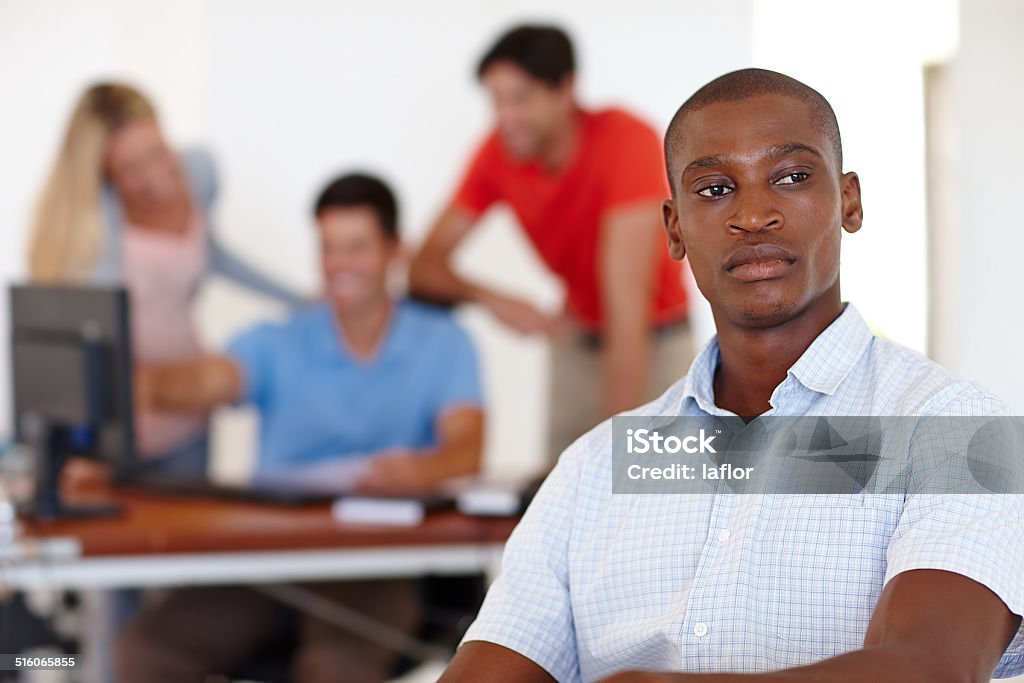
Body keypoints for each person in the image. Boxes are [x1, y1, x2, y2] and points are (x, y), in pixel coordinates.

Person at [439, 69, 1024, 682]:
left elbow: (930, 671)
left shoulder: (960, 435)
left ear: (848, 200)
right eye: (715, 189)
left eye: (792, 177)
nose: (753, 214)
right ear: (674, 229)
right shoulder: (595, 469)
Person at [117, 173, 485, 683]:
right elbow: (211, 379)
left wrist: (424, 469)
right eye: (329, 248)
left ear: (396, 249)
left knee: (335, 668)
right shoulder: (281, 337)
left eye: (356, 247)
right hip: (270, 563)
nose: (339, 265)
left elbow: (467, 447)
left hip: (374, 562)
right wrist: (133, 383)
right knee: (145, 652)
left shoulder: (443, 343)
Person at [409, 25, 693, 462]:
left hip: (654, 346)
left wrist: (615, 453)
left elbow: (626, 307)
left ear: (565, 90)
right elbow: (423, 267)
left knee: (648, 492)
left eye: (520, 98)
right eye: (496, 100)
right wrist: (492, 298)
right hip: (575, 344)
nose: (505, 116)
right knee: (559, 491)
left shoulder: (626, 141)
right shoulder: (496, 154)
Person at [28, 82, 302, 477]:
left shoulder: (200, 172)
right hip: (119, 429)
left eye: (159, 153)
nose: (157, 178)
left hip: (187, 416)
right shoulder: (91, 231)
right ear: (102, 174)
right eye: (132, 169)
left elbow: (215, 256)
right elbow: (89, 340)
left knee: (186, 530)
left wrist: (302, 300)